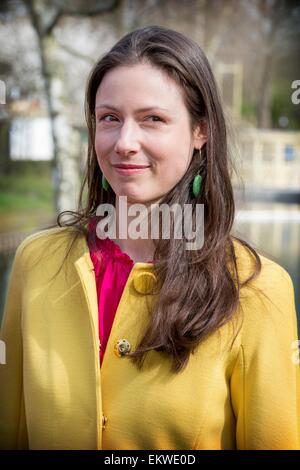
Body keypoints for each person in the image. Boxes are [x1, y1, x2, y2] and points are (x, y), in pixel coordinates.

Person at [0, 25, 299, 451]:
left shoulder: (258, 290)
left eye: (152, 119)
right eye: (110, 118)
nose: (125, 142)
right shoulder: (36, 262)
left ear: (201, 131)